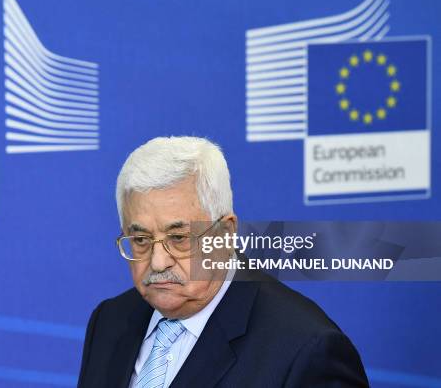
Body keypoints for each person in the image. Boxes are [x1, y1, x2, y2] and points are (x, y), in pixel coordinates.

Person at [77, 136, 369, 388]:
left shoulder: (305, 349)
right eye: (141, 240)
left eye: (178, 238)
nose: (158, 261)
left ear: (226, 233)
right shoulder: (110, 320)